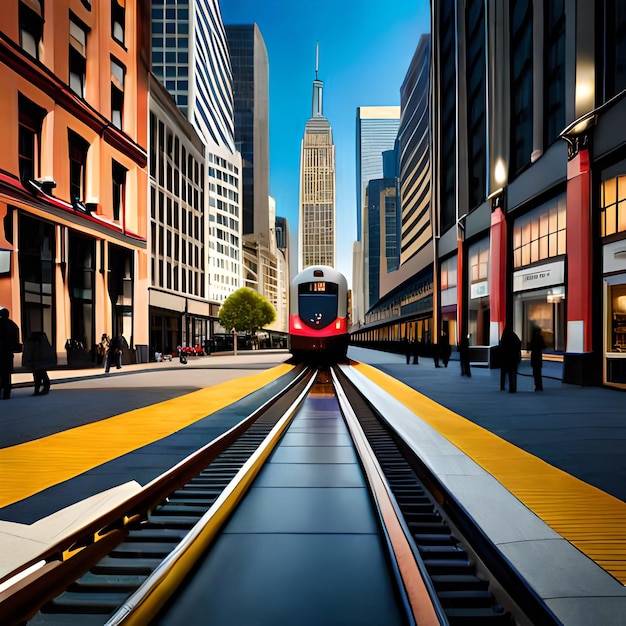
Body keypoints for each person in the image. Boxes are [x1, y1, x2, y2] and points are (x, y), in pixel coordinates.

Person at [22, 331, 55, 395]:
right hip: (40, 362)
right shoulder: (43, 342)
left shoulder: (31, 342)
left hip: (35, 362)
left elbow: (28, 353)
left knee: (38, 375)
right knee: (42, 374)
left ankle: (38, 389)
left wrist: (27, 361)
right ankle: (43, 388)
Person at [0, 308, 21, 399]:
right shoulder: (13, 325)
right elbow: (16, 341)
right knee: (7, 374)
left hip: (1, 353)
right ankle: (6, 393)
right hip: (8, 353)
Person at [500, 325, 522, 392]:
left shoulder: (504, 337)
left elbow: (502, 347)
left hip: (505, 358)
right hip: (513, 358)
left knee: (503, 373)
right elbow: (518, 344)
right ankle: (512, 387)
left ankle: (502, 386)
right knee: (512, 373)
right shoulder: (513, 336)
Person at [530, 326, 545, 391]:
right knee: (538, 373)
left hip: (535, 357)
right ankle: (539, 386)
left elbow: (531, 347)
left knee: (536, 373)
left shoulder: (533, 338)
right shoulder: (540, 338)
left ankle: (537, 386)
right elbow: (543, 346)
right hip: (538, 357)